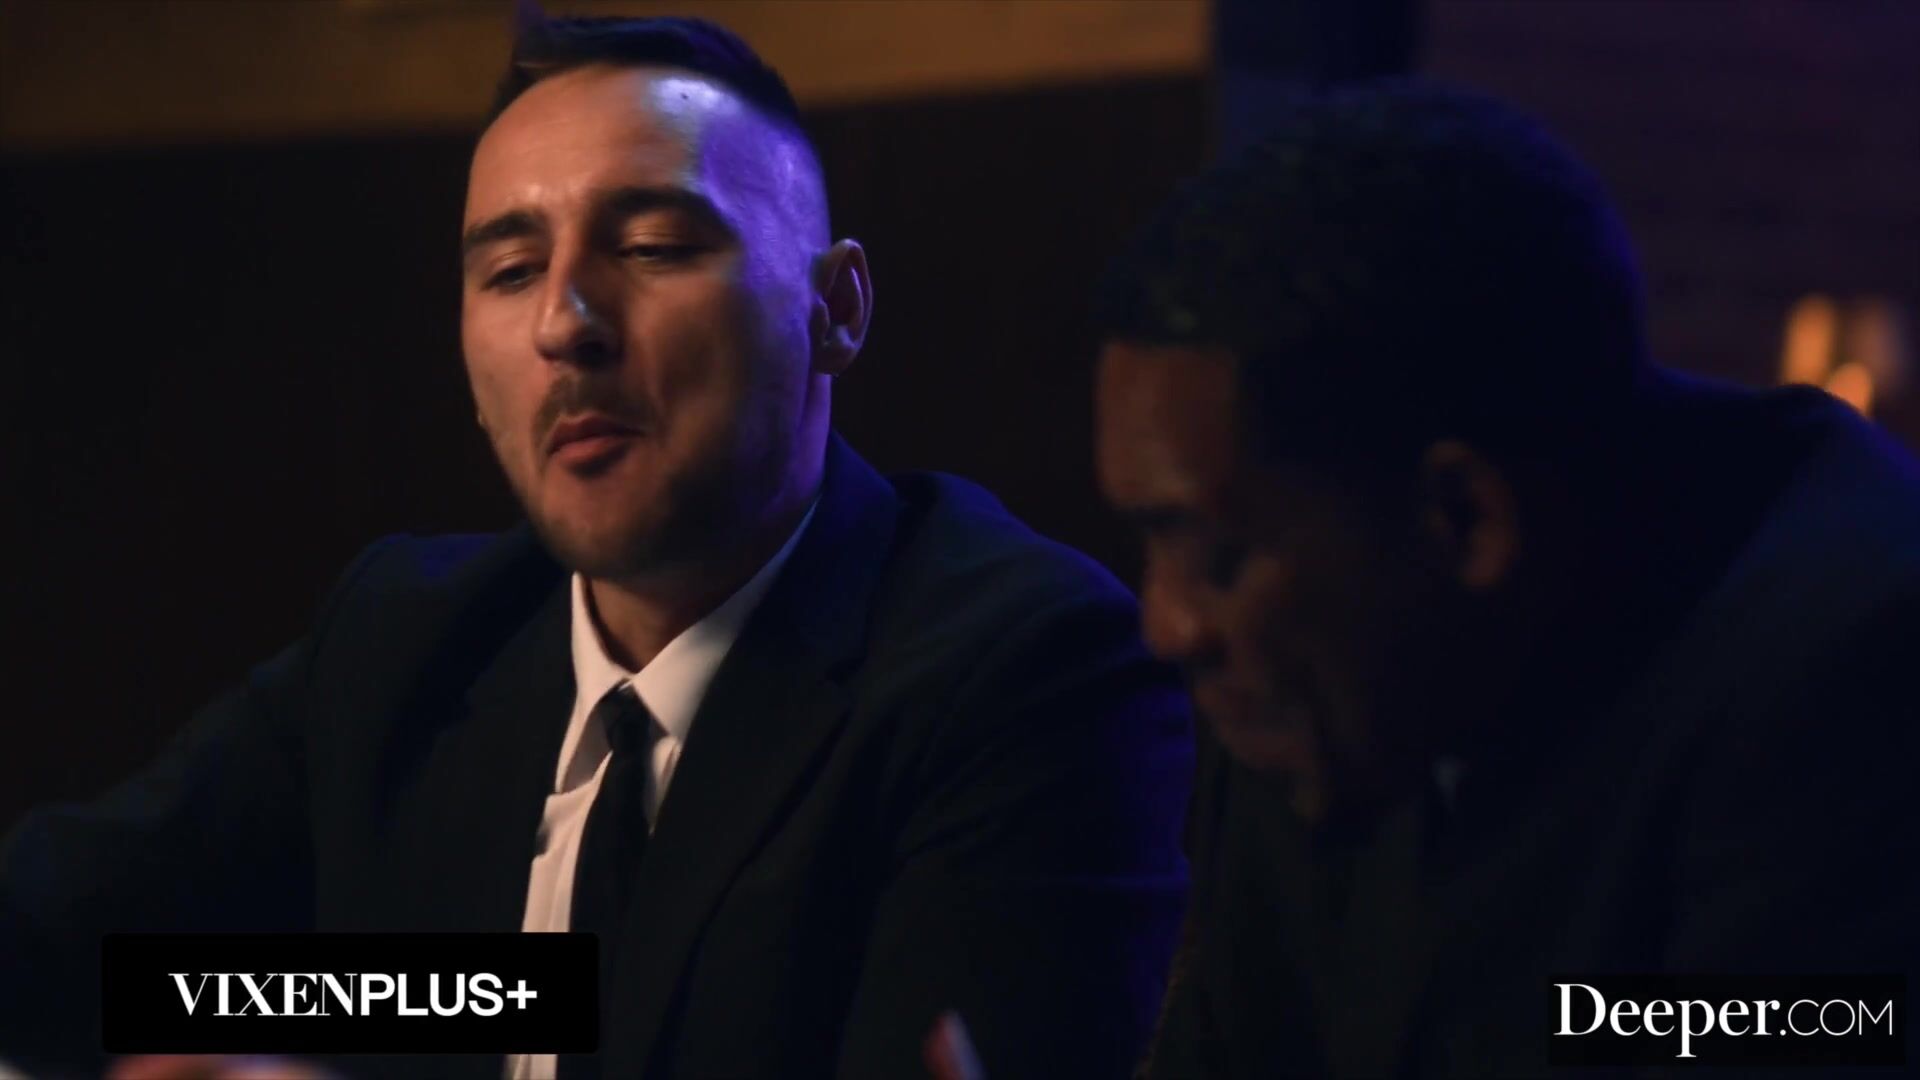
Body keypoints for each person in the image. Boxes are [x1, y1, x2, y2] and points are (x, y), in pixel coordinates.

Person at [0, 15, 1192, 1080]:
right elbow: (62, 950)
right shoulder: (409, 640)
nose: (565, 323)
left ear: (835, 309)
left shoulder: (1026, 672)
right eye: (512, 270)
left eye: (655, 246)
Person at [1090, 80, 1920, 1078]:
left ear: (1466, 519)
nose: (1168, 627)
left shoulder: (1852, 668)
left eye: (1218, 559)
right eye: (1152, 547)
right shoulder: (1305, 663)